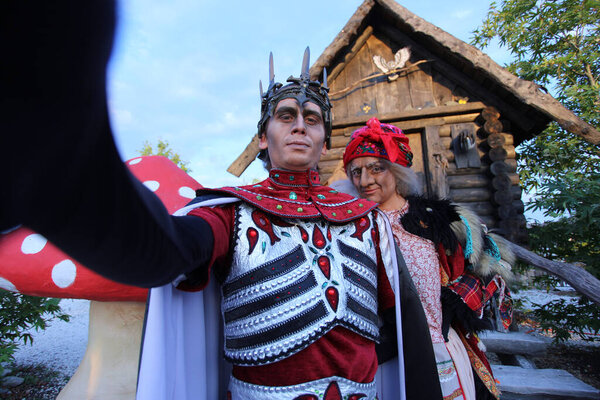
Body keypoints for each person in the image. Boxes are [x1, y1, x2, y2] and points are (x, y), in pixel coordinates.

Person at [2, 3, 443, 398]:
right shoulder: (230, 212)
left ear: (324, 141)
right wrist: (62, 164)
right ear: (263, 138)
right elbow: (161, 252)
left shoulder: (366, 220)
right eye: (286, 116)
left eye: (311, 119)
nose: (299, 126)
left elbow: (409, 333)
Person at [341, 118, 514, 400]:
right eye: (356, 172)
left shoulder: (436, 220)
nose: (365, 180)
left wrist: (458, 300)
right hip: (379, 356)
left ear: (396, 170)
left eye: (376, 168)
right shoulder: (350, 228)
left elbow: (494, 263)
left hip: (437, 347)